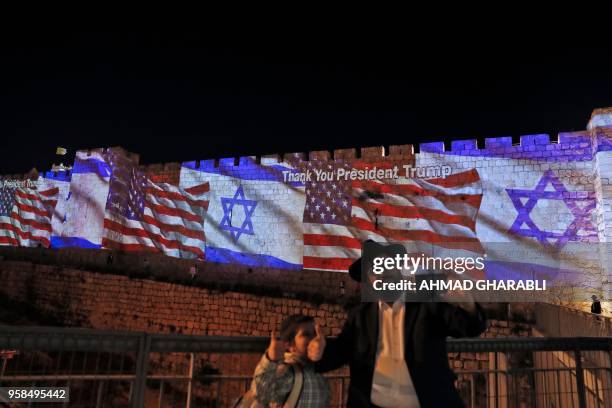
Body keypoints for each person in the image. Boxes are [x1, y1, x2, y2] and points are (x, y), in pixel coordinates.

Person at [312, 241, 487, 407]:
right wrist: (318, 353)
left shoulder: (427, 304)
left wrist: (468, 305)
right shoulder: (360, 316)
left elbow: (469, 327)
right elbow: (341, 350)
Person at [253, 314, 330, 407]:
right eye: (306, 334)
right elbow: (262, 394)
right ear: (289, 345)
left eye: (315, 333)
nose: (314, 339)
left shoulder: (316, 369)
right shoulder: (287, 370)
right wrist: (270, 360)